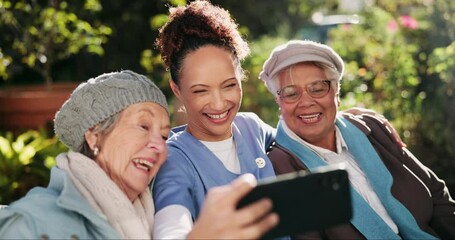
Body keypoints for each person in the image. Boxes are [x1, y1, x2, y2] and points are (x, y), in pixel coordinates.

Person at [0, 70, 278, 239]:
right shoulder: (31, 224)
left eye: (165, 135)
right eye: (143, 126)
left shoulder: (153, 219)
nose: (158, 145)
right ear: (94, 135)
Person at [260, 40, 455, 239]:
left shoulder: (371, 129)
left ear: (336, 91)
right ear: (279, 101)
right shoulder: (279, 169)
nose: (306, 102)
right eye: (291, 93)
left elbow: (437, 195)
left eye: (318, 88)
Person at [152, 1, 280, 239]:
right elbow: (170, 227)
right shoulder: (174, 160)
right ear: (177, 90)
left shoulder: (252, 128)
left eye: (229, 85)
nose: (219, 104)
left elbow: (300, 138)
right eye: (201, 91)